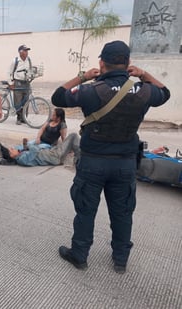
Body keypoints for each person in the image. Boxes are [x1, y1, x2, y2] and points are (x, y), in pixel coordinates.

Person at [51, 40, 171, 273]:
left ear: (101, 63)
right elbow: (165, 93)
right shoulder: (144, 90)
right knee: (123, 212)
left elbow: (58, 96)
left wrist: (83, 77)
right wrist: (144, 74)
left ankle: (80, 255)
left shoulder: (90, 90)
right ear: (128, 64)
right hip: (125, 164)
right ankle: (120, 259)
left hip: (93, 163)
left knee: (86, 210)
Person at [0, 132, 80, 167]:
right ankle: (78, 160)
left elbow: (21, 147)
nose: (13, 148)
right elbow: (35, 150)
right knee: (73, 136)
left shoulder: (20, 154)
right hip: (55, 156)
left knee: (70, 142)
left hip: (52, 151)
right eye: (11, 150)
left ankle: (76, 154)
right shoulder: (22, 159)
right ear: (12, 155)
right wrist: (27, 145)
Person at [9, 44, 33, 125]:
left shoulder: (29, 60)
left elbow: (30, 70)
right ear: (20, 52)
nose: (27, 52)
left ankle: (24, 118)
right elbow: (10, 72)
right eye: (25, 50)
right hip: (18, 83)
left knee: (26, 101)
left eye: (27, 51)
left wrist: (31, 76)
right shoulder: (15, 61)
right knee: (18, 101)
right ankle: (19, 118)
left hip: (26, 83)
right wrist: (11, 83)